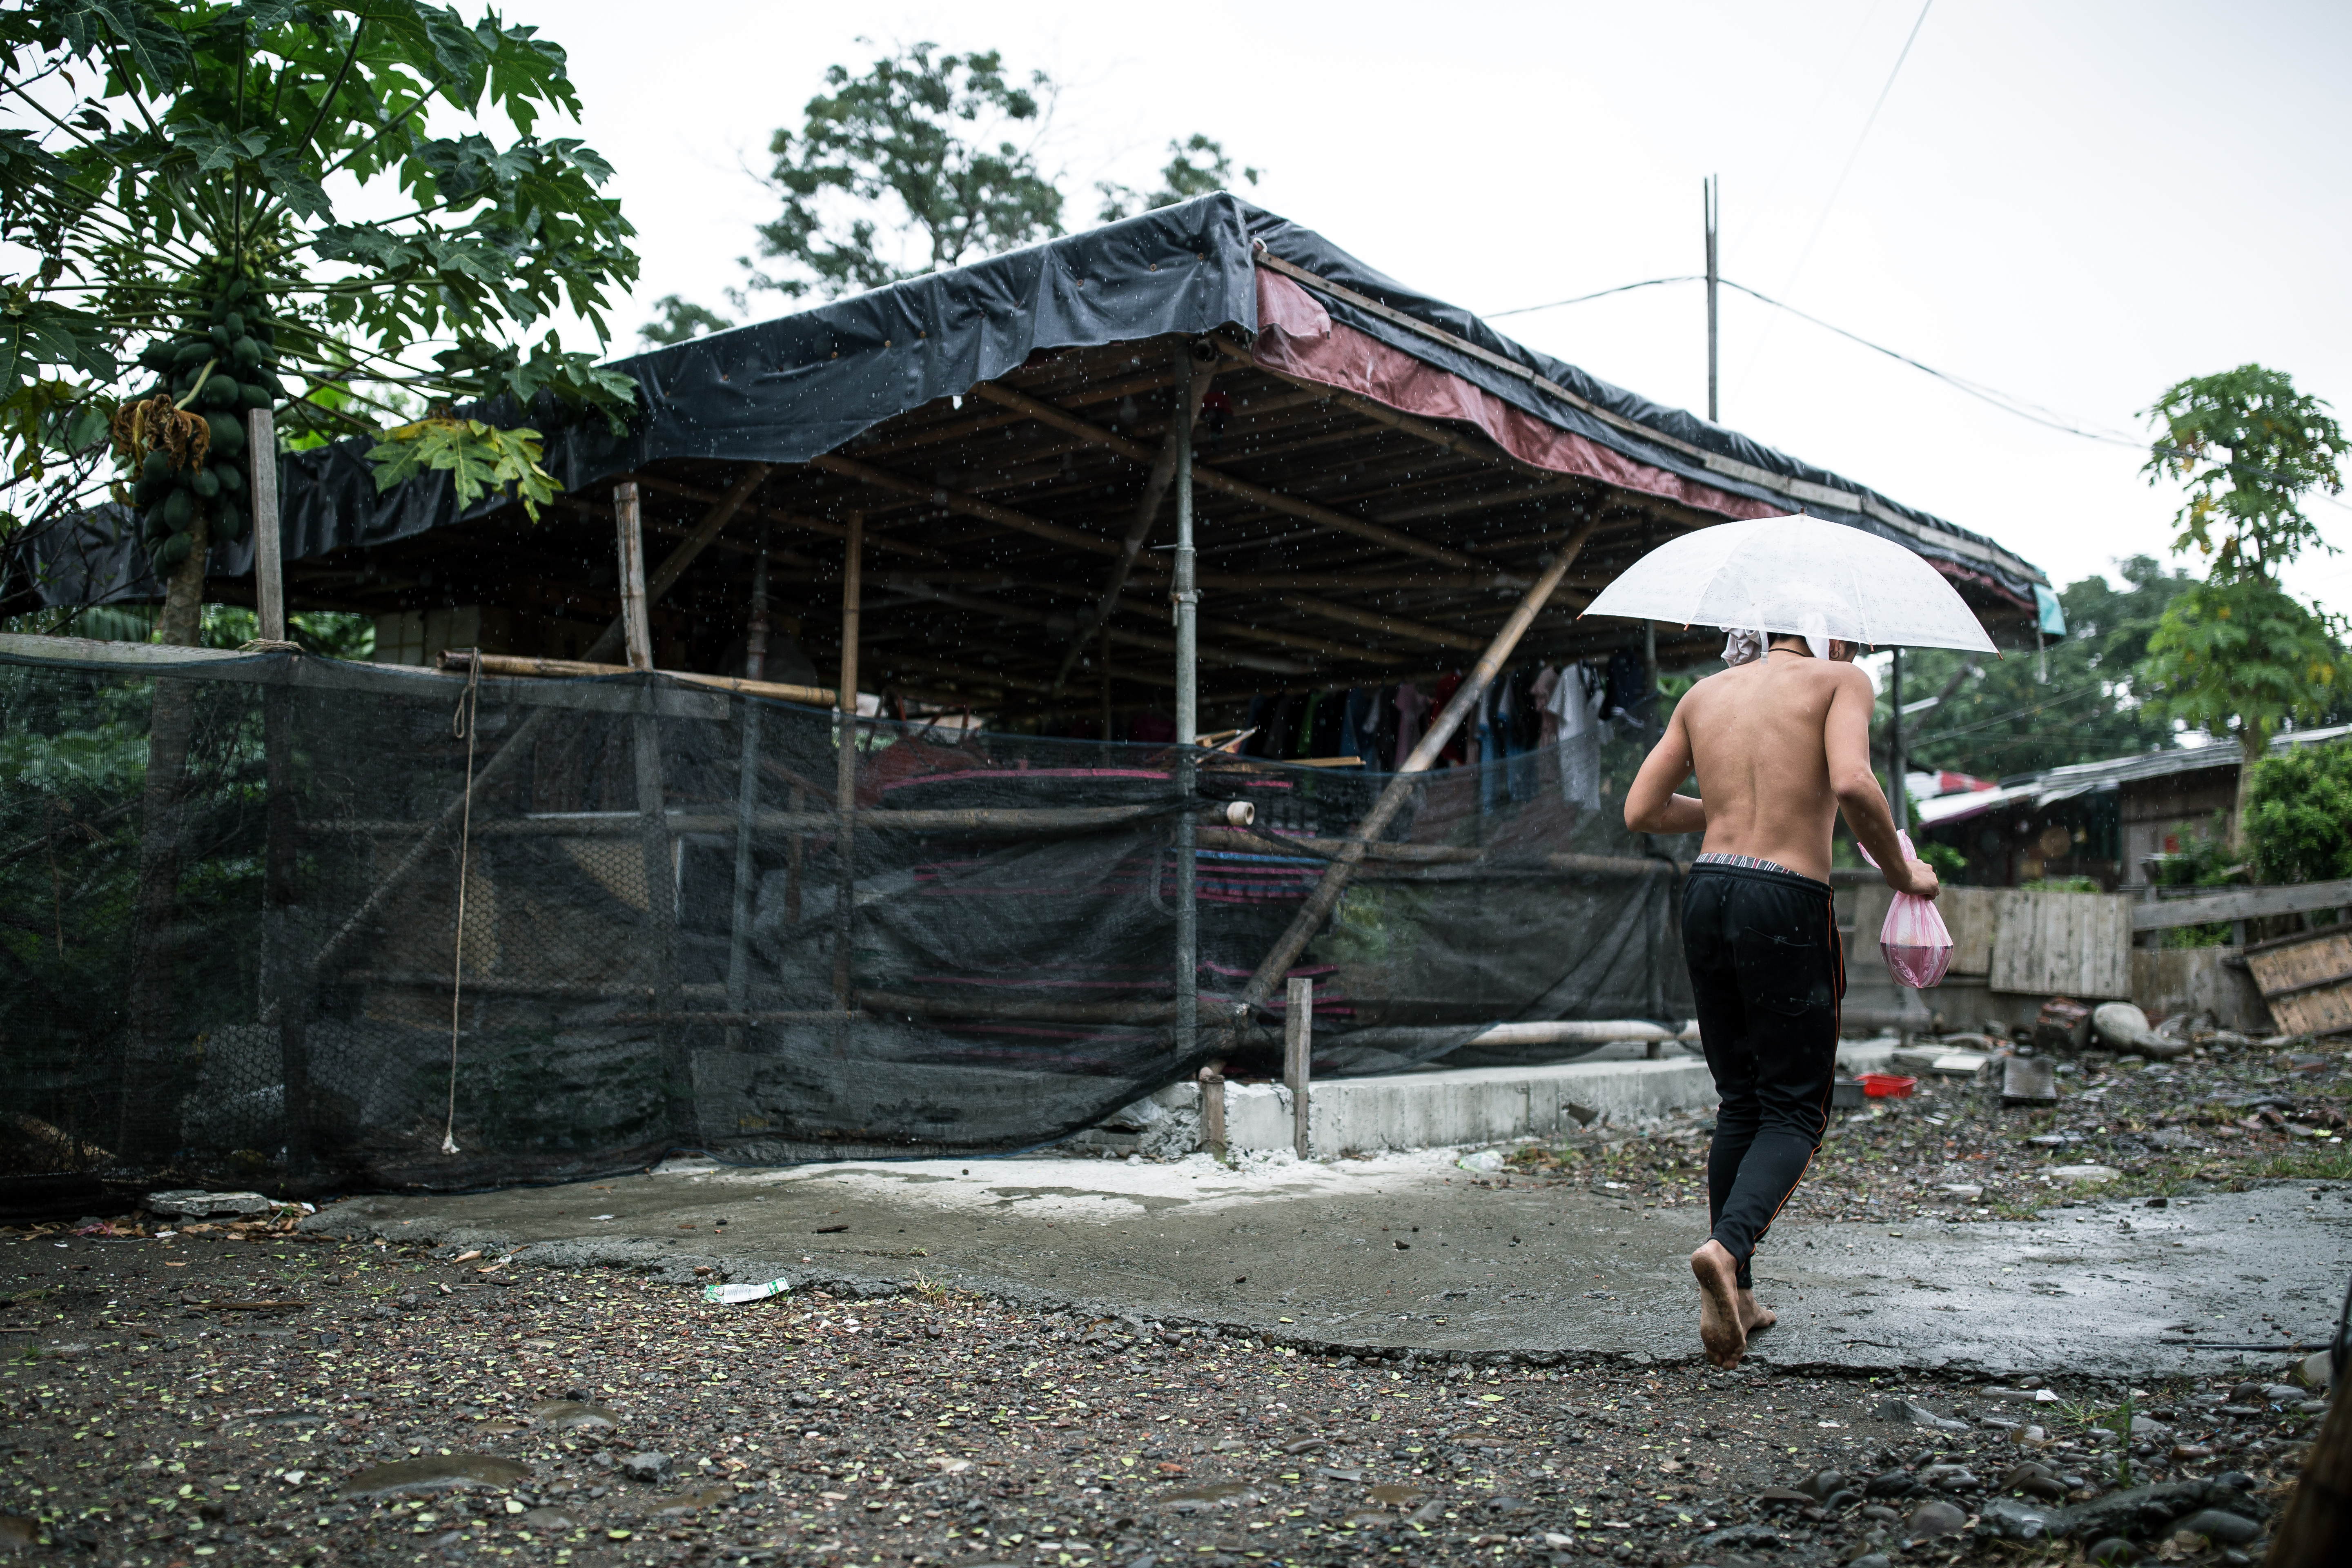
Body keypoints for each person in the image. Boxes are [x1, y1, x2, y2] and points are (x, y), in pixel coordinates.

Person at [1624, 630, 1938, 1368]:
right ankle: (1727, 1250)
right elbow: (1856, 785)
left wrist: (1733, 803)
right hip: (1785, 900)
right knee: (1797, 1106)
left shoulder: (1705, 694)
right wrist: (1905, 874)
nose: (1857, 646)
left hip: (1707, 891)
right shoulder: (1840, 682)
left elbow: (1641, 809)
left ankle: (1740, 1291)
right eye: (1852, 635)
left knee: (1741, 1099)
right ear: (1826, 627)